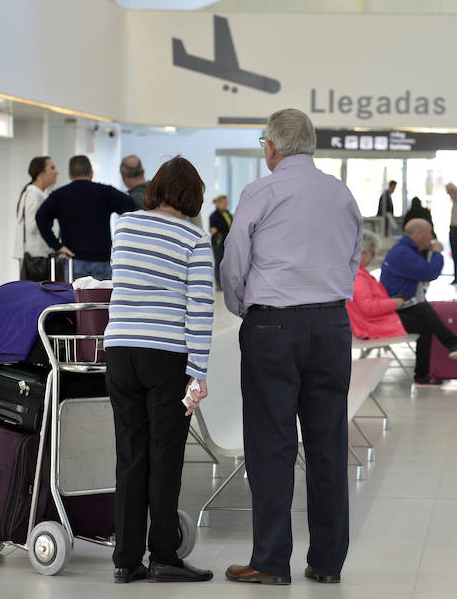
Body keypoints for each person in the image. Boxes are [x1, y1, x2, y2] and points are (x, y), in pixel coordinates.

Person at [221, 108, 362, 586]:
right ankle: (326, 562)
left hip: (273, 329)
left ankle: (271, 561)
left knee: (271, 444)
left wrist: (246, 309)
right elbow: (352, 256)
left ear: (271, 148)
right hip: (331, 326)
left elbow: (234, 260)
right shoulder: (340, 192)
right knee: (327, 444)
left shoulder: (260, 191)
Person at [103, 156, 214, 584]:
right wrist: (198, 371)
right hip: (164, 355)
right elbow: (199, 309)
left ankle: (126, 560)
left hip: (120, 350)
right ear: (192, 196)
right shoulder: (194, 239)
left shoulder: (126, 226)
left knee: (130, 455)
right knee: (165, 456)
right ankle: (164, 555)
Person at [380, 219, 457, 386]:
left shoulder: (406, 250)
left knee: (424, 321)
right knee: (424, 312)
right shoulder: (403, 253)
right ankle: (454, 345)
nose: (431, 237)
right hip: (394, 308)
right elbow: (429, 272)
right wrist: (436, 253)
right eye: (428, 233)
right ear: (417, 234)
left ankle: (424, 374)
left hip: (402, 304)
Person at [36, 155, 136, 280]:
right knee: (102, 299)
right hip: (102, 260)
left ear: (70, 175)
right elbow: (131, 205)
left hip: (73, 260)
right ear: (91, 173)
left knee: (76, 298)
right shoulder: (105, 192)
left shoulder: (60, 195)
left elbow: (40, 217)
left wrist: (57, 246)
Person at [14, 156, 58, 281]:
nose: (56, 172)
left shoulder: (37, 193)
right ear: (41, 174)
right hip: (37, 260)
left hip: (38, 258)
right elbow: (32, 226)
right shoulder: (34, 194)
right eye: (52, 168)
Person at [208, 194, 232, 288]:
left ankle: (226, 283)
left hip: (228, 242)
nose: (226, 205)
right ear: (219, 204)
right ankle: (218, 283)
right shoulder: (213, 216)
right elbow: (212, 230)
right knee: (219, 262)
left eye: (227, 203)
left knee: (228, 263)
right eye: (225, 203)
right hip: (218, 243)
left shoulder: (228, 214)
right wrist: (219, 229)